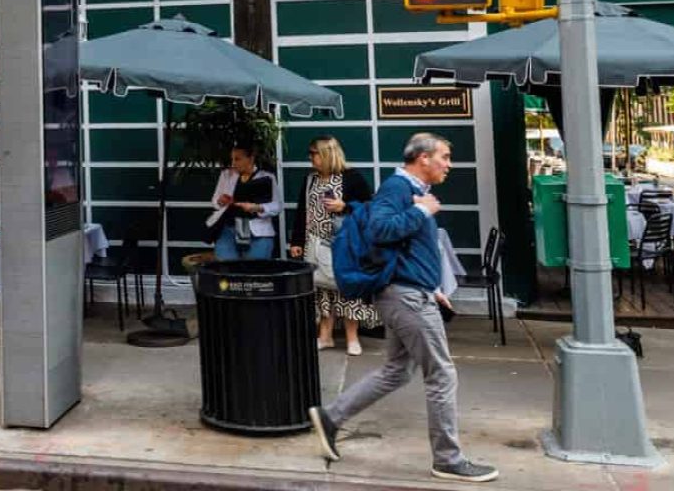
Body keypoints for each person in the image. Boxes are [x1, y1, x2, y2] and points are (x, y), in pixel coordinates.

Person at [309, 132, 495, 485]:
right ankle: (448, 459)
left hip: (411, 293)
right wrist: (420, 210)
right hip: (407, 299)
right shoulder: (398, 189)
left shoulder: (412, 191)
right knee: (441, 374)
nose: (449, 164)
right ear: (422, 158)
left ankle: (331, 417)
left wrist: (434, 287)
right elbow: (380, 230)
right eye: (444, 156)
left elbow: (410, 250)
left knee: (396, 370)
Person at [290, 134, 378, 355]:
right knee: (321, 288)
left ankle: (352, 338)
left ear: (328, 154)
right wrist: (297, 241)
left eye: (314, 153)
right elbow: (302, 212)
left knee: (347, 288)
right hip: (315, 242)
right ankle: (325, 336)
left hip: (344, 244)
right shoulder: (310, 179)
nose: (310, 158)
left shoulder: (352, 177)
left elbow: (369, 208)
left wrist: (344, 206)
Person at [209, 142, 279, 260]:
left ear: (251, 158)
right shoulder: (227, 175)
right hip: (229, 229)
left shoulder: (266, 177)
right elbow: (215, 201)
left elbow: (277, 206)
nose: (233, 163)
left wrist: (258, 208)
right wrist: (221, 201)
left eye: (238, 159)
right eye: (232, 159)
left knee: (254, 273)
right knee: (227, 271)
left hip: (258, 231)